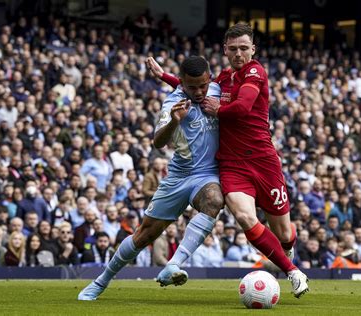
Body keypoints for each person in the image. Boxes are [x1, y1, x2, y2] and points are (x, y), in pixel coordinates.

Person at [148, 22, 308, 297]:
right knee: (245, 217)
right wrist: (165, 76)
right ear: (225, 50)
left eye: (244, 48)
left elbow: (244, 107)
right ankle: (293, 272)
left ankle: (287, 247)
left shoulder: (255, 71)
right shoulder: (223, 77)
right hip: (232, 164)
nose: (238, 54)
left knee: (284, 234)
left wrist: (219, 110)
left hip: (263, 161)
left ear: (253, 49)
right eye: (233, 49)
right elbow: (195, 88)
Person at [78, 56, 224, 300]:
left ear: (210, 79)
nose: (199, 92)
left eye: (203, 86)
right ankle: (101, 281)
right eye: (192, 87)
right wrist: (174, 122)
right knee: (144, 235)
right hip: (178, 176)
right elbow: (158, 141)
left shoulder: (218, 90)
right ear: (182, 83)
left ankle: (173, 265)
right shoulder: (173, 102)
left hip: (207, 174)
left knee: (214, 199)